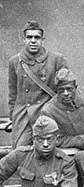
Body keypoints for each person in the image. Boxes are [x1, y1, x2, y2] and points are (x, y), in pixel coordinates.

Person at [0, 115, 78, 187]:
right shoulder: (20, 155)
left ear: (57, 138)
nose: (45, 144)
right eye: (40, 139)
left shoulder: (65, 162)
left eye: (49, 139)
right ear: (33, 139)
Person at [8, 20, 68, 148]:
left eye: (37, 37)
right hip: (24, 117)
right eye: (29, 37)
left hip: (48, 114)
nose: (33, 41)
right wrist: (14, 117)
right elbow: (13, 94)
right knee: (20, 151)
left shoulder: (56, 59)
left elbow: (66, 89)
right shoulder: (14, 61)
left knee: (49, 149)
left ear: (42, 40)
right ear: (23, 39)